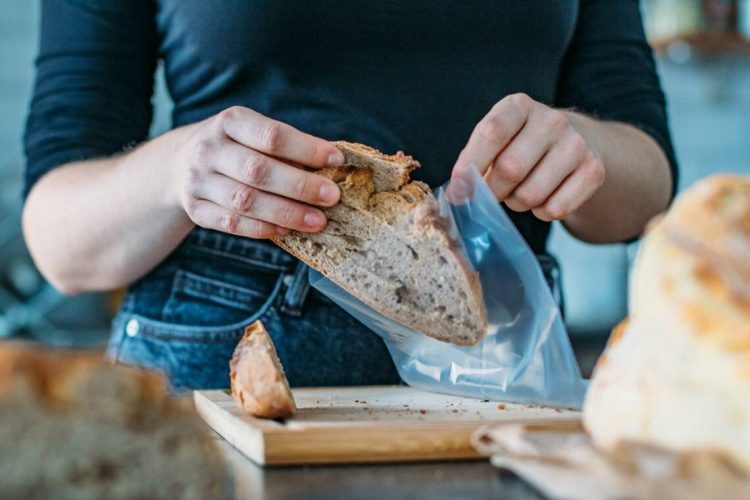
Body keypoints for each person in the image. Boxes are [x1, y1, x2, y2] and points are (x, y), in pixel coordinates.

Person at [22, 1, 676, 391]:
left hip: (503, 352)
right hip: (221, 356)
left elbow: (648, 182)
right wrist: (175, 169)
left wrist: (577, 147)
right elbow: (61, 243)